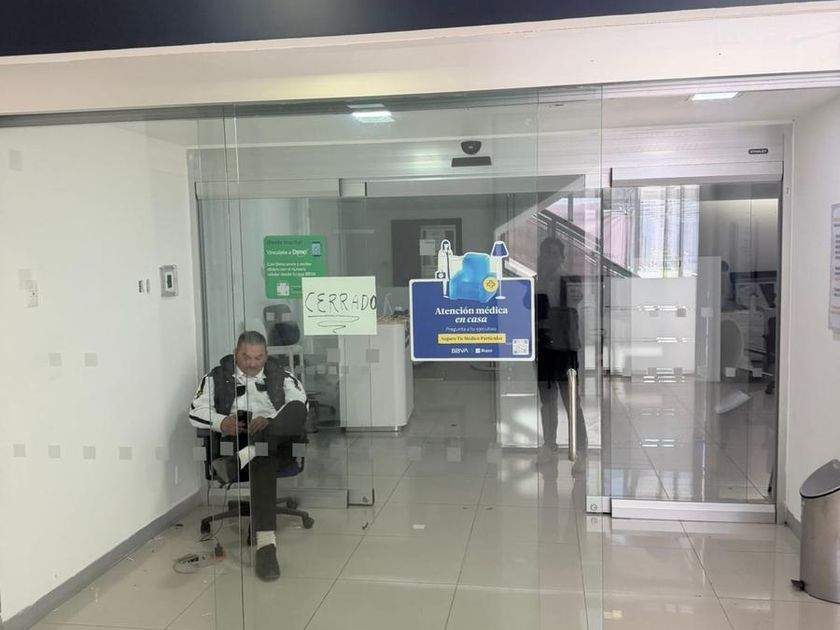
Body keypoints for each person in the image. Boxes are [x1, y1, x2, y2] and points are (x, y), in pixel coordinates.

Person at [188, 330, 307, 581]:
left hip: (278, 442)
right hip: (238, 440)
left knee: (290, 415)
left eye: (258, 357)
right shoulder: (216, 377)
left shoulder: (283, 376)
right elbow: (195, 411)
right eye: (246, 357)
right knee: (263, 454)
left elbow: (299, 409)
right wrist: (222, 422)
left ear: (266, 355)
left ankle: (242, 459)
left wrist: (270, 422)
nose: (252, 364)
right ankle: (266, 546)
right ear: (235, 354)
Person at [535, 237, 586, 463]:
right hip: (544, 348)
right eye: (546, 253)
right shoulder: (536, 281)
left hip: (565, 350)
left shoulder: (569, 280)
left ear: (562, 257)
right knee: (547, 402)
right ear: (541, 256)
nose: (550, 257)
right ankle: (549, 446)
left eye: (555, 253)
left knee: (571, 401)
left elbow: (573, 307)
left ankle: (581, 451)